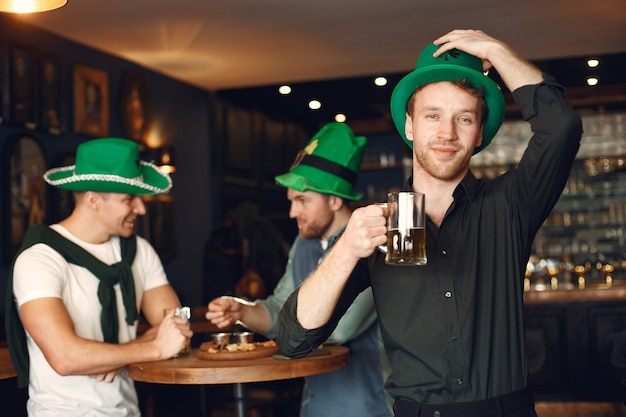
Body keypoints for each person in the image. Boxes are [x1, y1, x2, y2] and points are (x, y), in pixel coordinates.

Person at [275, 29, 583, 417]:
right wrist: (346, 250)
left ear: (479, 135)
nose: (447, 133)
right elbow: (293, 339)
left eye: (464, 118)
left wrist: (495, 51)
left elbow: (562, 127)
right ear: (409, 127)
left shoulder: (510, 204)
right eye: (432, 115)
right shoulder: (385, 226)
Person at [206, 122, 392, 417]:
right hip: (315, 404)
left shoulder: (371, 243)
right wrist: (241, 311)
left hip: (367, 406)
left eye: (302, 200)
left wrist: (287, 322)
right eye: (291, 201)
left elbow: (338, 328)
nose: (293, 212)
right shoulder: (302, 244)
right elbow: (281, 308)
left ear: (334, 199)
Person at [5, 138, 193, 416]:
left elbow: (178, 327)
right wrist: (154, 347)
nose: (141, 209)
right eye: (129, 199)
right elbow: (66, 357)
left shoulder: (139, 250)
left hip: (128, 409)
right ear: (93, 199)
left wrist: (116, 355)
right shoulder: (40, 258)